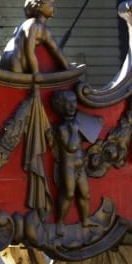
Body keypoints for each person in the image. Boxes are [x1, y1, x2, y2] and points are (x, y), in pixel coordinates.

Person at [0, 0, 71, 73]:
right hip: (14, 63)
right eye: (51, 4)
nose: (54, 7)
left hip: (17, 62)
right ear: (39, 7)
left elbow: (55, 49)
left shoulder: (44, 30)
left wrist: (67, 67)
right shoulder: (32, 25)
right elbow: (29, 52)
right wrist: (36, 73)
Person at [50, 89, 91, 228]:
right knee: (68, 193)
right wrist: (74, 131)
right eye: (68, 104)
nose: (73, 106)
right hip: (69, 166)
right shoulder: (62, 128)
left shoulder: (77, 123)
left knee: (85, 194)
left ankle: (85, 220)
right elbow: (72, 147)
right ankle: (60, 222)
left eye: (74, 102)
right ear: (61, 106)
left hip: (80, 165)